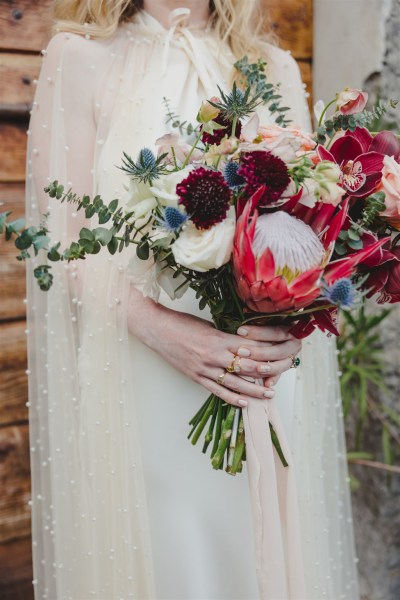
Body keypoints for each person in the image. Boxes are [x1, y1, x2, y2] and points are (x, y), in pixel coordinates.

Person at [26, 1, 359, 598]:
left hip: (262, 376)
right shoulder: (77, 58)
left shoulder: (272, 67)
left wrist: (292, 327)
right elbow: (61, 242)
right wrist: (165, 331)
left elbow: (313, 228)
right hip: (142, 370)